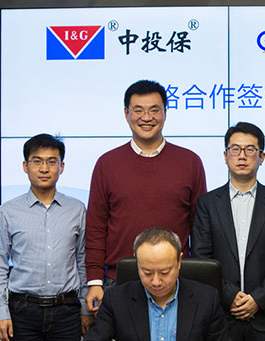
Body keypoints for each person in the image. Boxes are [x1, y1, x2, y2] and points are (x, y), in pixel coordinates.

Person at [85, 80, 207, 314]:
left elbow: (199, 228)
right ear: (126, 113)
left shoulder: (190, 162)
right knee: (119, 340)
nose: (146, 117)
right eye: (138, 110)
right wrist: (95, 281)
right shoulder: (106, 163)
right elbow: (96, 228)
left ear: (165, 113)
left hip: (174, 281)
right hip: (118, 279)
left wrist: (197, 276)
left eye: (154, 110)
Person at [0, 134, 90, 341]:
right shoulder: (8, 211)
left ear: (61, 167)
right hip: (23, 311)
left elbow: (82, 260)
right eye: (37, 161)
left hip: (66, 311)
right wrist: (0, 312)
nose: (44, 168)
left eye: (52, 161)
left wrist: (85, 308)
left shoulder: (76, 209)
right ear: (26, 166)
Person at [192, 122, 265, 341]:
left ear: (262, 157)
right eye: (235, 149)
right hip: (220, 316)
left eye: (250, 150)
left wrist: (257, 299)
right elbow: (202, 258)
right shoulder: (207, 204)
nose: (242, 156)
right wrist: (230, 296)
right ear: (225, 155)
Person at [77, 227, 234, 341]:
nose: (156, 282)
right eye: (147, 272)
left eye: (165, 272)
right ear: (137, 262)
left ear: (179, 262)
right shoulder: (116, 298)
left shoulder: (206, 298)